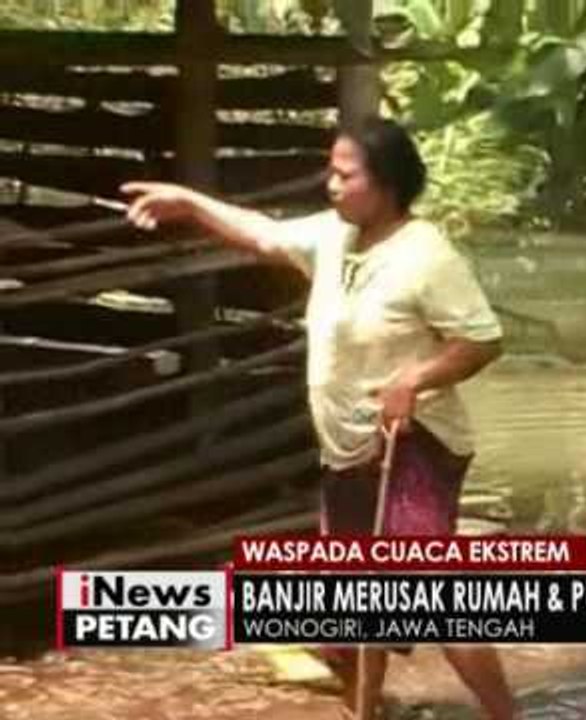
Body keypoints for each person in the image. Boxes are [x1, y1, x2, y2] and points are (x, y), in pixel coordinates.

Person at [121, 117, 517, 720]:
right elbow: (264, 235)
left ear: (385, 184)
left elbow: (484, 340)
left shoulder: (427, 256)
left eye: (344, 174)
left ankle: (507, 717)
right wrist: (190, 203)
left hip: (413, 444)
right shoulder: (333, 237)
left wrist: (413, 379)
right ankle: (365, 711)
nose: (331, 184)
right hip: (347, 449)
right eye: (331, 171)